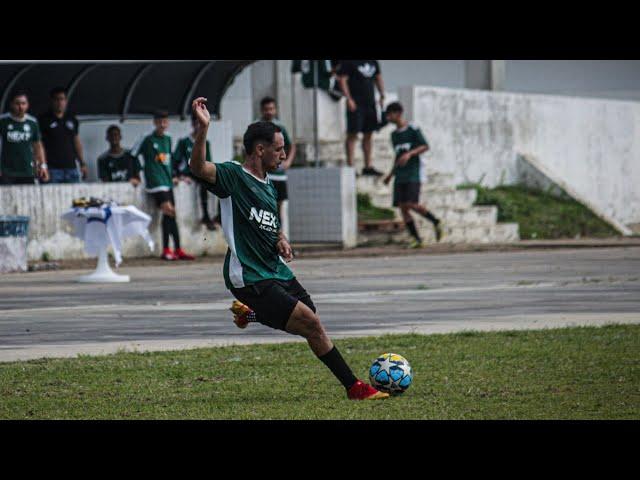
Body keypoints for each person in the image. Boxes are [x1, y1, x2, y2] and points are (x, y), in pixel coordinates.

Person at [189, 96, 388, 401]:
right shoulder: (233, 176)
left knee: (309, 315)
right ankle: (354, 387)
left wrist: (281, 238)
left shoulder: (268, 184)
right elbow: (199, 167)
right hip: (249, 274)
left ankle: (251, 315)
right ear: (260, 149)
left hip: (273, 267)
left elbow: (269, 222)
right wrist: (203, 129)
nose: (284, 154)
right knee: (311, 323)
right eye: (279, 148)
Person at [131, 110, 195, 261]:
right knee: (169, 211)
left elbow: (169, 161)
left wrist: (174, 176)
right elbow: (132, 155)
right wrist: (136, 174)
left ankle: (176, 249)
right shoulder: (146, 139)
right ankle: (167, 249)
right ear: (154, 122)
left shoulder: (168, 139)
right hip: (155, 183)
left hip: (167, 183)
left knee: (172, 215)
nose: (162, 124)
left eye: (165, 121)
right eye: (159, 121)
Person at [382, 102, 442, 247]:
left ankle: (436, 221)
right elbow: (397, 156)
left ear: (398, 113)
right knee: (403, 207)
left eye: (390, 114)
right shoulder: (394, 135)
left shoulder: (413, 129)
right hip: (400, 174)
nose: (388, 117)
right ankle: (417, 239)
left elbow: (425, 146)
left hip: (413, 173)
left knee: (412, 204)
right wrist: (391, 174)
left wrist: (410, 154)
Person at [336, 60, 385, 176]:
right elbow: (343, 80)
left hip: (370, 103)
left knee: (368, 134)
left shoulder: (373, 62)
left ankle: (368, 166)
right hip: (355, 103)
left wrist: (382, 95)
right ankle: (350, 166)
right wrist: (349, 99)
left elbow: (378, 78)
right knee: (352, 134)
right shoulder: (349, 62)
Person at [173, 114, 216, 231]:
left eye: (201, 123)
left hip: (200, 172)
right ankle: (206, 216)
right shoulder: (184, 142)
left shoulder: (206, 142)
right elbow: (175, 160)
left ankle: (214, 217)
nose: (198, 126)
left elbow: (209, 162)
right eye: (196, 123)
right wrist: (178, 175)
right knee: (202, 184)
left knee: (215, 184)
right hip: (188, 172)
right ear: (192, 124)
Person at [258, 96, 296, 225]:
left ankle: (278, 239)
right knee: (263, 207)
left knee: (279, 208)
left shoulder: (280, 127)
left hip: (279, 175)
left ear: (275, 110)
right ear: (262, 110)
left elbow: (291, 146)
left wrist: (288, 161)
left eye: (271, 108)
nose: (269, 111)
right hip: (263, 175)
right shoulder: (256, 127)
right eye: (266, 109)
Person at [38, 87, 86, 183]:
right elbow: (38, 145)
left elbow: (76, 141)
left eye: (62, 99)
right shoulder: (43, 120)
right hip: (52, 169)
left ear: (66, 101)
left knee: (75, 197)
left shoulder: (72, 119)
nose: (60, 102)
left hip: (71, 167)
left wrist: (82, 163)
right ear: (52, 101)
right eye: (57, 99)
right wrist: (42, 165)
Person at [0, 91, 48, 185]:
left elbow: (37, 146)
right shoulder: (3, 121)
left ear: (27, 105)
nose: (20, 107)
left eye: (23, 103)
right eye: (17, 103)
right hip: (7, 171)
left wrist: (43, 166)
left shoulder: (32, 122)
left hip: (27, 170)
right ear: (11, 104)